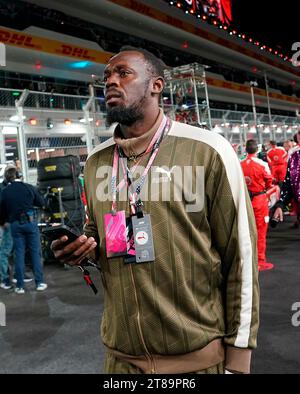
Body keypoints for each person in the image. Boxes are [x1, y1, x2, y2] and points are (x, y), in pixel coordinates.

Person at [51, 46, 259, 374]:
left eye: (123, 73)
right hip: (121, 361)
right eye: (106, 77)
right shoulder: (95, 162)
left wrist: (239, 358)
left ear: (156, 85)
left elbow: (241, 258)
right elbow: (101, 237)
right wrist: (81, 251)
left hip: (196, 361)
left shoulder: (208, 150)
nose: (110, 82)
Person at [0, 166, 47, 294]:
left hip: (15, 225)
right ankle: (39, 283)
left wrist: (3, 222)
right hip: (30, 223)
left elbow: (2, 211)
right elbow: (41, 203)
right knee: (35, 253)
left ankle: (20, 286)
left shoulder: (5, 192)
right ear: (20, 175)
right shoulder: (28, 187)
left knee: (18, 255)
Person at [241, 140, 274, 271]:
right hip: (259, 200)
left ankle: (247, 259)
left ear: (246, 150)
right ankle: (260, 260)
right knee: (260, 230)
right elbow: (269, 180)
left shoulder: (240, 164)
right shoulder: (262, 164)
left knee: (246, 230)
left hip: (245, 200)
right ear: (257, 150)